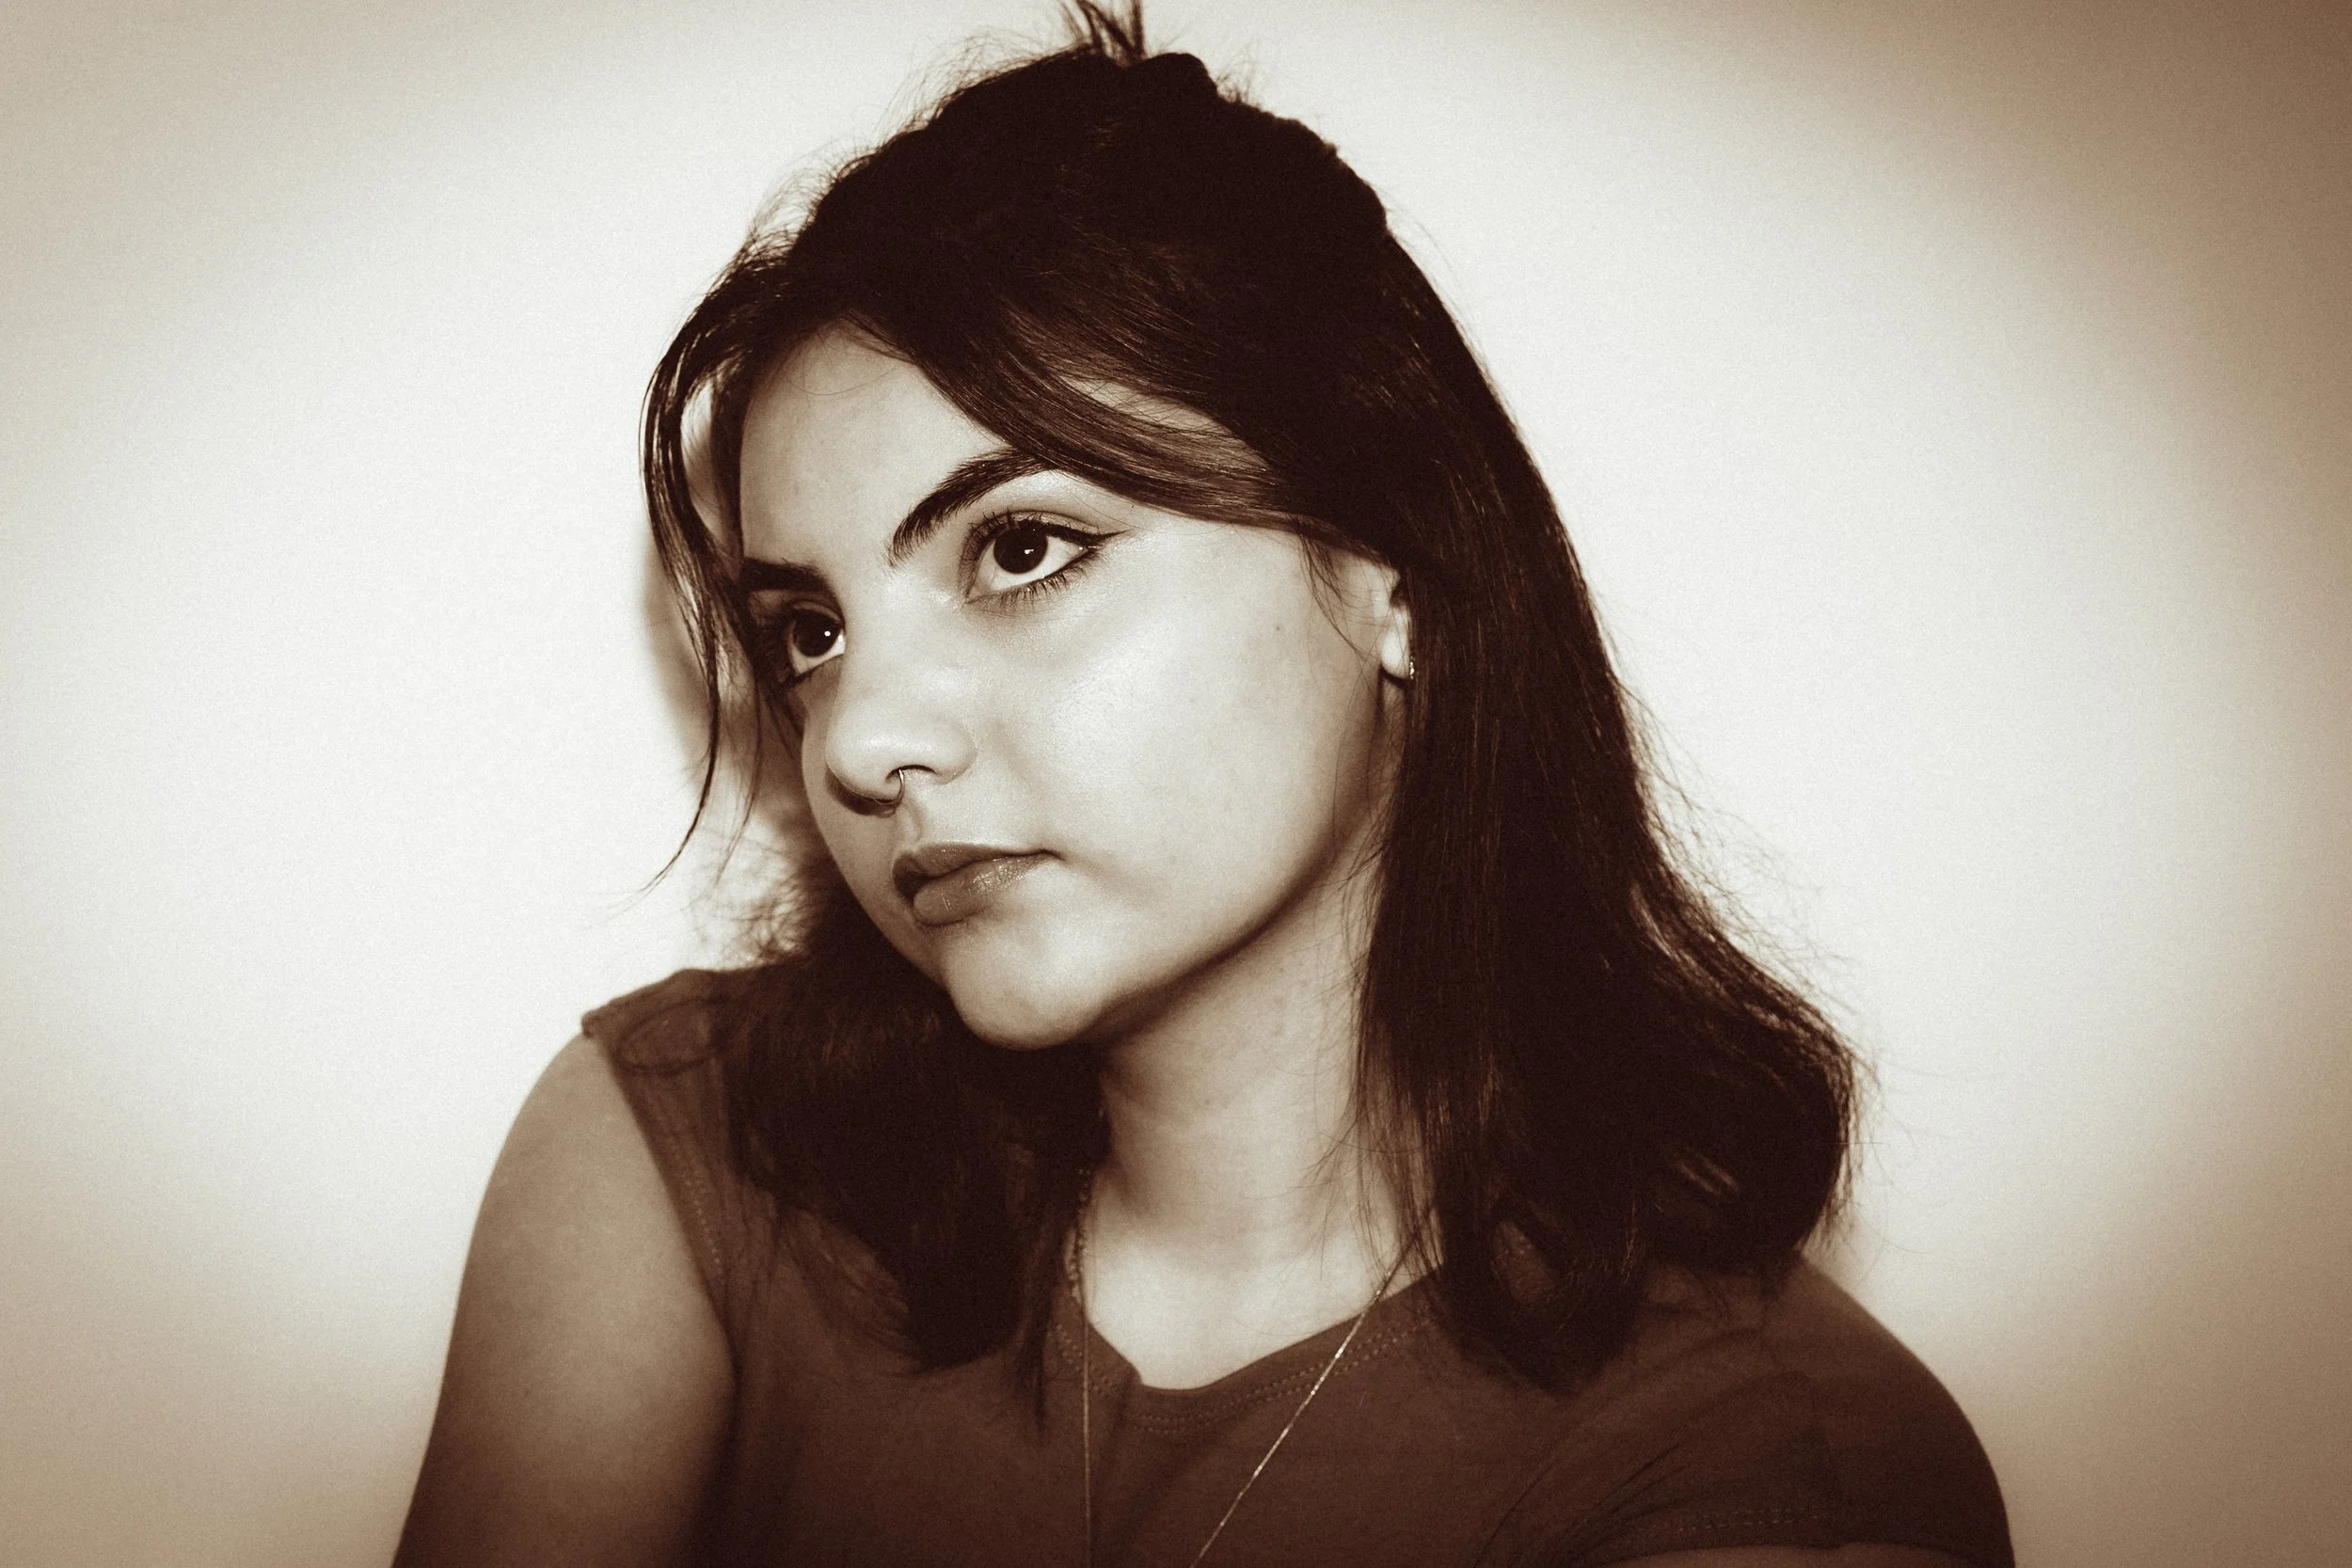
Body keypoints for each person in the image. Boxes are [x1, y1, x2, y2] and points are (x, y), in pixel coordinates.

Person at [394, 6, 2011, 1565]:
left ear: (1394, 570)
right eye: (809, 632)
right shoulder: (690, 1158)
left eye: (1022, 548)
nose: (860, 740)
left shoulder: (1753, 1466)